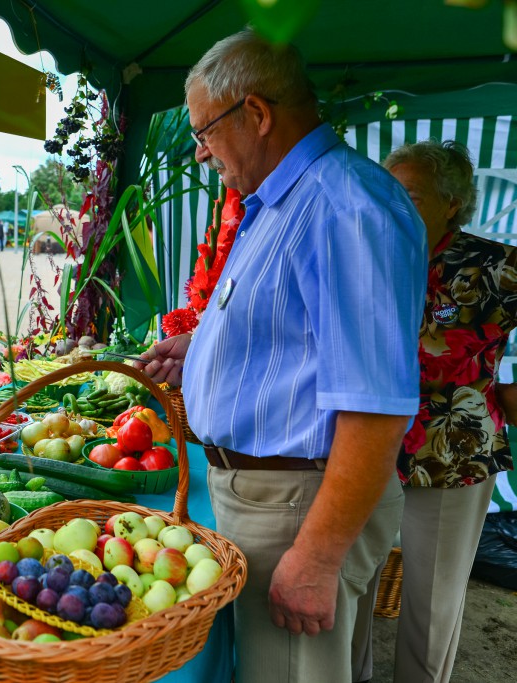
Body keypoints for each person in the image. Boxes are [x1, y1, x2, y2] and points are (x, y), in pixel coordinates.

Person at [136, 30, 426, 683]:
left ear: (258, 114)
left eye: (204, 132)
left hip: (298, 502)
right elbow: (296, 335)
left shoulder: (343, 207)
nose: (201, 151)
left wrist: (317, 556)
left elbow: (375, 405)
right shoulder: (281, 200)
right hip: (279, 494)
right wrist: (204, 346)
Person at [351, 141, 517, 683]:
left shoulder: (493, 265)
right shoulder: (370, 256)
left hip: (454, 451)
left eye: (412, 194)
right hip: (367, 443)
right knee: (352, 579)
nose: (394, 205)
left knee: (431, 597)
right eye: (388, 192)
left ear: (451, 203)